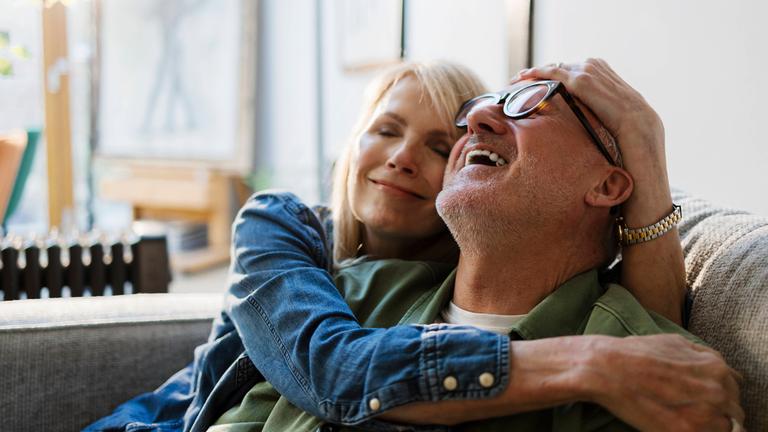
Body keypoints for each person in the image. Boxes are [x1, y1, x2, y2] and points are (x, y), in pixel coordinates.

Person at [86, 60, 740, 432]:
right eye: (385, 131)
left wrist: (644, 155)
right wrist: (591, 363)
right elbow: (333, 366)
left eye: (530, 105)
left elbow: (655, 342)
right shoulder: (320, 262)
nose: (402, 159)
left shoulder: (620, 344)